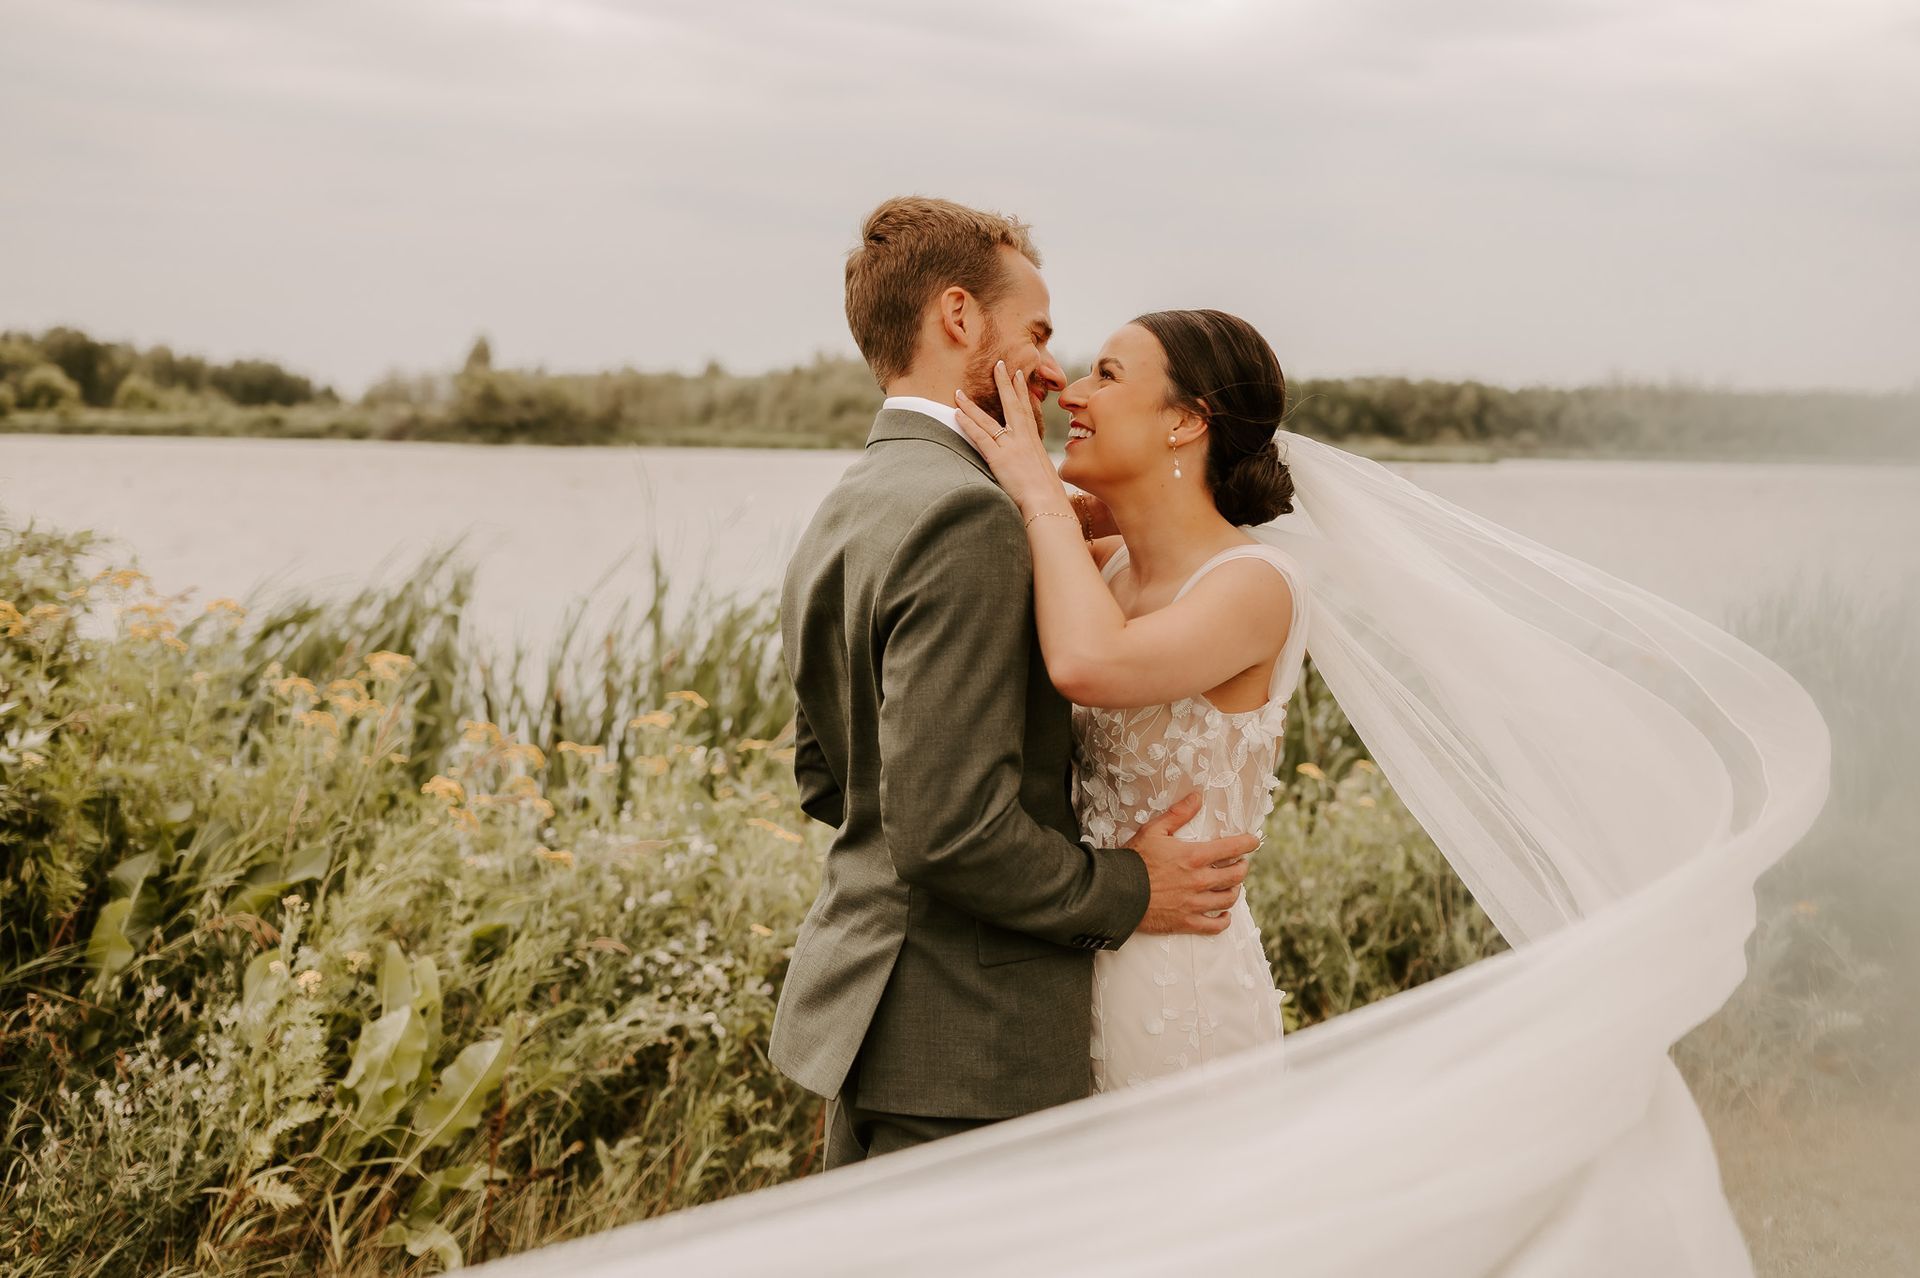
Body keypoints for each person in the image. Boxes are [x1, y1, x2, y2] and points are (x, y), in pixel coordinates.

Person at [773, 197, 1261, 1167]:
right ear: (959, 319)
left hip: (871, 1022)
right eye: (1039, 333)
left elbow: (828, 783)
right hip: (968, 1043)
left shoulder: (853, 501)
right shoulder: (970, 519)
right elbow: (947, 828)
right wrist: (1130, 888)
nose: (1051, 368)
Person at [953, 309, 1305, 1091]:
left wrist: (1041, 489)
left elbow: (1086, 662)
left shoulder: (1253, 587)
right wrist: (1062, 504)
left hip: (1181, 991)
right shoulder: (1108, 570)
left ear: (1184, 421)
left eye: (1106, 376)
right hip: (1081, 956)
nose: (1073, 394)